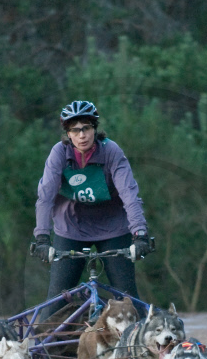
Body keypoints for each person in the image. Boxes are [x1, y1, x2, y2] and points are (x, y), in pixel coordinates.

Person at [33, 100, 151, 318]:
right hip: (71, 228)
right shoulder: (59, 153)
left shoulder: (111, 151)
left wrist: (140, 233)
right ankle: (40, 351)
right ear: (68, 134)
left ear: (94, 129)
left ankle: (146, 347)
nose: (82, 135)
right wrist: (41, 238)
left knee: (129, 299)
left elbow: (130, 194)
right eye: (75, 130)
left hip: (112, 228)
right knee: (55, 303)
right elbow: (45, 197)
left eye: (86, 128)